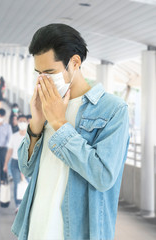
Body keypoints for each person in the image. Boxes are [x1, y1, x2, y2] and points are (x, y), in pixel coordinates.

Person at [12, 23, 130, 240]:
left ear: (75, 63)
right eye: (38, 72)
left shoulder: (113, 110)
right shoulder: (46, 103)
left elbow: (103, 176)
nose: (43, 79)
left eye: (50, 72)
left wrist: (59, 124)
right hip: (34, 231)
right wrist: (37, 123)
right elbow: (26, 169)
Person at [3, 115, 29, 211]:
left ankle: (26, 205)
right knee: (17, 183)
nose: (22, 123)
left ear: (27, 123)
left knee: (28, 184)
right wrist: (5, 164)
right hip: (15, 163)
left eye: (24, 121)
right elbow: (10, 151)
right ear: (17, 122)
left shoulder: (29, 137)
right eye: (20, 121)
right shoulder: (13, 136)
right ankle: (18, 205)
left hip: (27, 163)